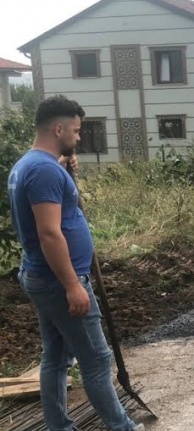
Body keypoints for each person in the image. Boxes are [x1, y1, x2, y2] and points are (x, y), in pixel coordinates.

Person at [8, 95, 144, 431]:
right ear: (59, 128)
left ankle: (58, 427)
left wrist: (66, 173)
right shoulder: (42, 170)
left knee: (56, 356)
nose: (79, 137)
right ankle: (122, 427)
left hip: (41, 275)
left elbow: (63, 211)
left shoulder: (33, 164)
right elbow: (50, 234)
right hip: (58, 280)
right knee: (96, 360)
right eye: (77, 131)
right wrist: (72, 285)